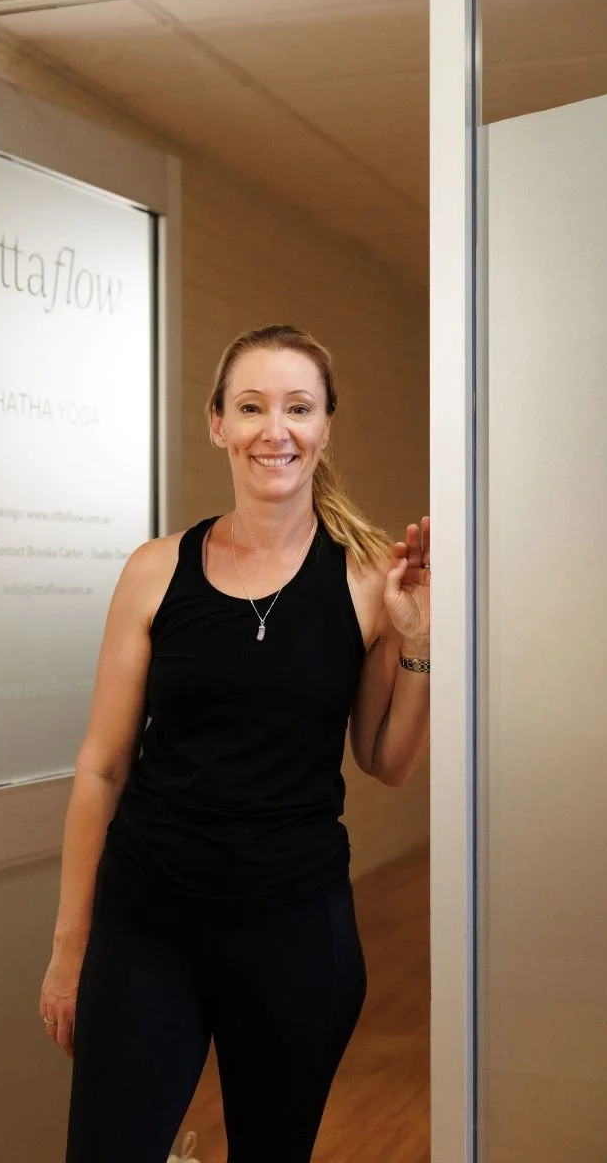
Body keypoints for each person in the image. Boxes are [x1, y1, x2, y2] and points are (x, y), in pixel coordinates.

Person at [40, 324, 431, 1163]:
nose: (274, 430)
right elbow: (102, 767)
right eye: (251, 407)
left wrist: (418, 643)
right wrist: (73, 945)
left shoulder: (366, 578)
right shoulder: (156, 570)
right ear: (217, 422)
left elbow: (386, 760)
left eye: (298, 408)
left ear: (326, 426)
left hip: (296, 932)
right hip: (147, 924)